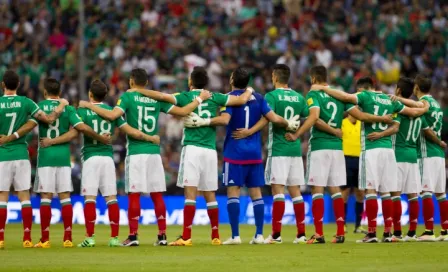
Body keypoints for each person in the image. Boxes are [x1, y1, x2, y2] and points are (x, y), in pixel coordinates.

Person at [78, 68, 211, 246]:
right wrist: (200, 99)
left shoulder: (127, 97)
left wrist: (88, 105)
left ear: (132, 81)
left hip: (136, 151)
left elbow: (112, 115)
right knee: (156, 195)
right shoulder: (155, 98)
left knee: (134, 194)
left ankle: (133, 236)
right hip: (154, 152)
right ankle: (162, 236)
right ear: (147, 83)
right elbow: (182, 112)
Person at [183, 67, 300, 244]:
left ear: (232, 80)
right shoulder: (259, 98)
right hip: (254, 153)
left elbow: (224, 120)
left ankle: (236, 236)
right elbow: (272, 118)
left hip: (234, 152)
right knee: (256, 193)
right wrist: (288, 124)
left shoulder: (230, 99)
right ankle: (259, 235)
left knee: (233, 192)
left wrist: (203, 121)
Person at [312, 76, 429, 243]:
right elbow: (412, 113)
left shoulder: (365, 96)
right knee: (387, 191)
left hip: (371, 148)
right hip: (388, 150)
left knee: (371, 191)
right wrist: (425, 106)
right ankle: (388, 233)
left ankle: (372, 233)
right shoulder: (389, 99)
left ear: (363, 89)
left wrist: (323, 88)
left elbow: (345, 97)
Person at [44, 80, 160, 247]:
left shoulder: (83, 111)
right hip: (108, 159)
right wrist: (151, 137)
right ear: (105, 96)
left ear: (90, 95)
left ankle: (90, 238)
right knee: (111, 199)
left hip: (91, 158)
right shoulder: (112, 112)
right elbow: (132, 131)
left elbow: (75, 133)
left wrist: (53, 141)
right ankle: (114, 239)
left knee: (90, 199)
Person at [10, 78, 111, 248]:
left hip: (46, 158)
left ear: (44, 92)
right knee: (65, 197)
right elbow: (78, 131)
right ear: (60, 92)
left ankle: (45, 239)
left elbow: (30, 125)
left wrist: (16, 137)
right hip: (64, 157)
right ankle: (68, 238)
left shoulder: (39, 107)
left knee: (46, 198)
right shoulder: (69, 108)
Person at [298, 67, 392, 244]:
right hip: (338, 149)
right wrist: (382, 119)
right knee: (335, 189)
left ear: (313, 78)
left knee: (317, 189)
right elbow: (361, 116)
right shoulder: (339, 95)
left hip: (320, 145)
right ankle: (340, 232)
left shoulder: (313, 94)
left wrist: (333, 130)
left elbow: (315, 118)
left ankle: (319, 234)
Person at [231, 64, 308, 244]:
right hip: (295, 149)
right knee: (296, 191)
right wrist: (297, 133)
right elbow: (308, 116)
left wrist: (250, 131)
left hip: (279, 149)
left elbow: (267, 117)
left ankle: (276, 235)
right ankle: (301, 234)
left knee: (278, 190)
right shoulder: (298, 97)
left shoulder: (272, 96)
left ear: (274, 77)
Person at [369, 77, 444, 241]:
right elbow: (426, 128)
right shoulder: (419, 112)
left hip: (398, 154)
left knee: (395, 194)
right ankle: (412, 232)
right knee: (413, 195)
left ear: (398, 91)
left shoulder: (399, 109)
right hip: (413, 156)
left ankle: (396, 232)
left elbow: (393, 126)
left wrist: (380, 133)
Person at [0, 71, 67, 249]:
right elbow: (48, 119)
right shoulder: (27, 102)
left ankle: (0, 239)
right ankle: (27, 238)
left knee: (2, 198)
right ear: (19, 84)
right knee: (24, 197)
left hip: (2, 156)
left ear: (2, 85)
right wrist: (61, 105)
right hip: (21, 154)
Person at [391, 75, 448, 241]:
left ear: (416, 88)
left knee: (425, 191)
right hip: (438, 154)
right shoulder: (437, 105)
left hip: (426, 152)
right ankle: (445, 230)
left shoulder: (425, 104)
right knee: (441, 194)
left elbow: (420, 114)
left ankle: (429, 230)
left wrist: (398, 99)